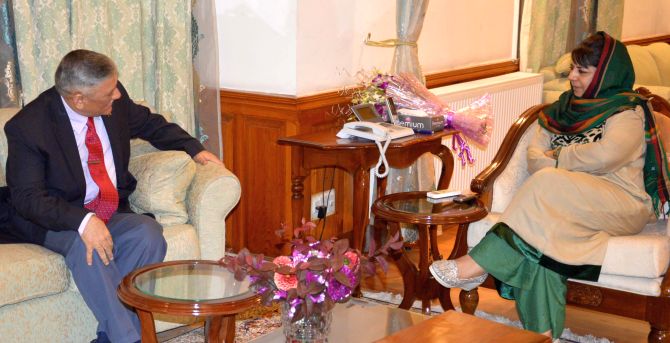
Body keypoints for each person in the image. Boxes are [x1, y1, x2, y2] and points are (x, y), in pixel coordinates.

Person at [429, 32, 669, 340]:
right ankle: (543, 333)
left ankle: (479, 263)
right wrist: (561, 163)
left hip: (621, 204)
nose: (572, 77)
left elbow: (607, 155)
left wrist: (557, 157)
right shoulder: (561, 110)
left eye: (582, 71)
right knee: (540, 245)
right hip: (565, 203)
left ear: (605, 74)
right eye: (573, 69)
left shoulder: (628, 111)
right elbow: (533, 157)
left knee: (547, 183)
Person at [3, 49, 223, 343]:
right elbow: (27, 197)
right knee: (88, 245)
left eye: (116, 86)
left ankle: (111, 336)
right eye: (109, 92)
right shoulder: (30, 127)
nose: (117, 95)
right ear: (78, 98)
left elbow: (151, 124)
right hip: (50, 217)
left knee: (147, 232)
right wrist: (83, 222)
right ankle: (130, 339)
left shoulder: (113, 105)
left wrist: (194, 148)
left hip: (106, 207)